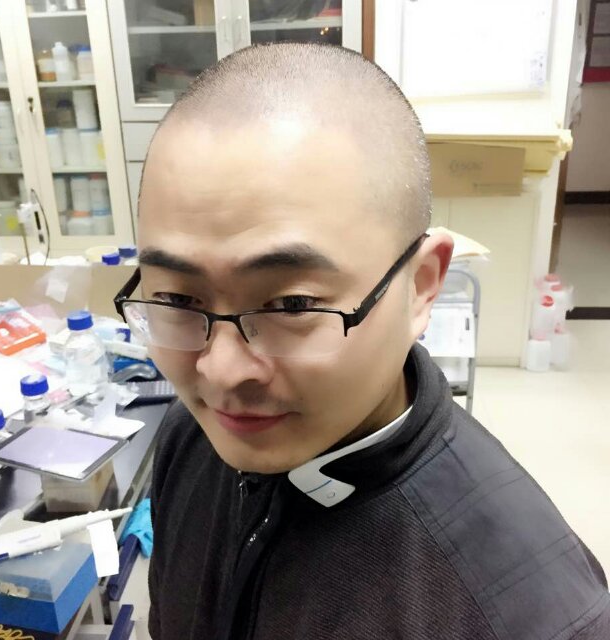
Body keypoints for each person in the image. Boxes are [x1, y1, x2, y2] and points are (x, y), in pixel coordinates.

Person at [115, 43, 610, 639]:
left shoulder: (535, 617)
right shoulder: (191, 436)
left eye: (291, 305)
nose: (219, 373)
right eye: (177, 300)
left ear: (421, 285)